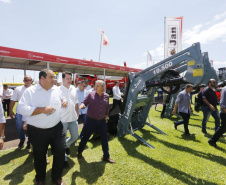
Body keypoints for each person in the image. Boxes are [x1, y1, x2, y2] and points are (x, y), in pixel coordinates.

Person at [18, 69, 67, 185]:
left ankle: (57, 177)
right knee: (39, 156)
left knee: (60, 151)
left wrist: (64, 102)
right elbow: (21, 108)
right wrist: (41, 110)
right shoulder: (30, 92)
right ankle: (40, 179)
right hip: (37, 130)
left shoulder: (57, 89)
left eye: (54, 77)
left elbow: (61, 99)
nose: (54, 79)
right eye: (51, 77)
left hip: (56, 128)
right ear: (42, 78)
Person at [77, 80, 115, 163]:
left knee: (104, 138)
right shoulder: (91, 94)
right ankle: (79, 152)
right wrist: (82, 106)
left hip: (102, 121)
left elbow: (106, 108)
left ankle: (106, 156)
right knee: (85, 137)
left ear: (102, 87)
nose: (95, 87)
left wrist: (106, 117)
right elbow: (84, 102)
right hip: (90, 120)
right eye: (95, 85)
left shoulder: (107, 96)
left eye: (98, 85)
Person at [59, 71, 79, 168]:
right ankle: (64, 159)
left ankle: (64, 146)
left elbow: (76, 102)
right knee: (62, 139)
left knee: (75, 136)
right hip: (63, 119)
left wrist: (77, 113)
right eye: (67, 78)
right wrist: (61, 104)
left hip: (73, 117)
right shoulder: (58, 90)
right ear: (62, 79)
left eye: (70, 78)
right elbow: (54, 104)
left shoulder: (74, 89)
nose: (69, 80)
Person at [9, 76, 33, 149]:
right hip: (20, 112)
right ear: (23, 80)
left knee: (30, 128)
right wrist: (10, 110)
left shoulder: (35, 89)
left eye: (29, 80)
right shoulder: (18, 89)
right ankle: (22, 140)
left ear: (31, 81)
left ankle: (29, 142)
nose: (27, 81)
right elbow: (13, 100)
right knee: (19, 128)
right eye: (26, 80)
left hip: (30, 112)